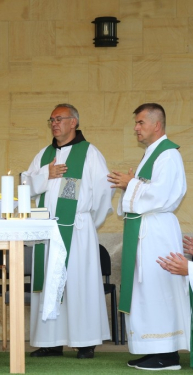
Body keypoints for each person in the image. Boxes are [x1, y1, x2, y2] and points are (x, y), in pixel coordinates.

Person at [21, 103, 114, 359]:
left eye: (59, 118)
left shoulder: (90, 153)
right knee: (50, 284)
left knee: (78, 284)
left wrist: (86, 222)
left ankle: (85, 341)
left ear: (74, 122)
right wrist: (45, 174)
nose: (54, 123)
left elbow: (105, 191)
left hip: (78, 229)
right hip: (47, 231)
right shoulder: (43, 155)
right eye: (51, 119)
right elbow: (24, 185)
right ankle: (51, 342)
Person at [108, 103, 189, 371]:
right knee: (145, 290)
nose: (136, 128)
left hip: (157, 232)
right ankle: (152, 348)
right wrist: (131, 183)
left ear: (157, 124)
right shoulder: (151, 155)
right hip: (144, 231)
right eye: (136, 123)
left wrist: (129, 184)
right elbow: (145, 191)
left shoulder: (168, 156)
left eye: (141, 123)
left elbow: (161, 195)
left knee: (158, 288)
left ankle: (167, 353)